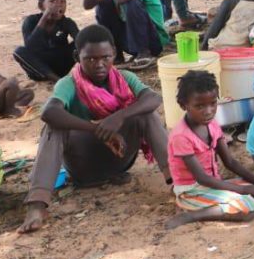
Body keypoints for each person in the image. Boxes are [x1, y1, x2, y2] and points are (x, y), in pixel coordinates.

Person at [18, 24, 171, 234]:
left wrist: (118, 117)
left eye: (105, 57)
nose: (99, 64)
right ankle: (37, 204)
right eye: (90, 59)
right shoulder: (69, 83)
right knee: (53, 127)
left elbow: (153, 98)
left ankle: (178, 182)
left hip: (120, 158)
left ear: (114, 53)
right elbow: (49, 112)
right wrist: (95, 128)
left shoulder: (124, 78)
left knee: (147, 114)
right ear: (77, 57)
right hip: (83, 165)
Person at [165, 70, 254, 229]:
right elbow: (202, 179)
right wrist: (244, 190)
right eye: (199, 106)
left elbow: (230, 162)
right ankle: (192, 215)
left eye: (213, 104)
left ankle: (245, 200)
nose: (208, 111)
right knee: (246, 210)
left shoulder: (212, 125)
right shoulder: (181, 136)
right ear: (184, 105)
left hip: (214, 184)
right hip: (192, 190)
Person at [14, 0, 79, 81]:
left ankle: (60, 78)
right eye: (53, 1)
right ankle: (56, 79)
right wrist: (45, 17)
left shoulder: (67, 22)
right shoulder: (31, 21)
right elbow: (30, 47)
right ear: (41, 6)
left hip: (60, 67)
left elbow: (81, 43)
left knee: (81, 42)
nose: (59, 4)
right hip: (38, 70)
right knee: (19, 51)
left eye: (62, 1)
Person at [0, 28, 35, 118]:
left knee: (29, 93)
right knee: (12, 82)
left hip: (3, 97)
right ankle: (9, 110)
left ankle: (14, 106)